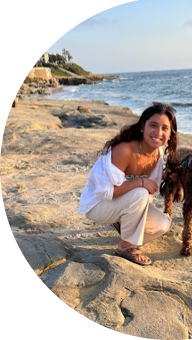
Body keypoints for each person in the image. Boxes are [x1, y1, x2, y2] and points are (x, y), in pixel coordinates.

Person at [78, 102, 179, 266]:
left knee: (162, 225)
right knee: (140, 192)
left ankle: (126, 228)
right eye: (153, 125)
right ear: (143, 126)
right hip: (98, 205)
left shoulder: (158, 152)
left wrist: (165, 176)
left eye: (165, 128)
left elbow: (152, 185)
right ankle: (126, 246)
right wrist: (141, 182)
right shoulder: (124, 150)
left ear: (170, 132)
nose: (158, 132)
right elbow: (105, 192)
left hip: (123, 202)